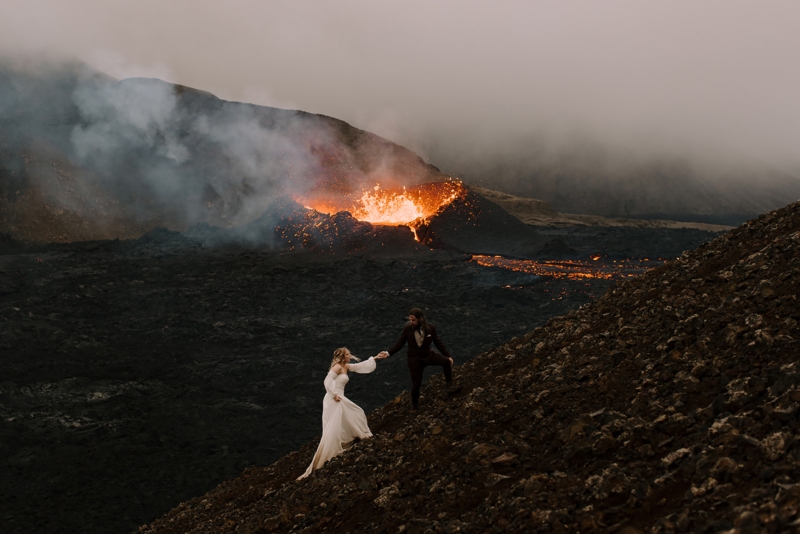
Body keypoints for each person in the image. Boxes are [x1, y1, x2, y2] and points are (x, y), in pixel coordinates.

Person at [298, 347, 387, 480]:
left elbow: (359, 366)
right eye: (347, 354)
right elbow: (327, 381)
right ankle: (332, 450)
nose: (349, 356)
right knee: (344, 419)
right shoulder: (337, 367)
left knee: (352, 415)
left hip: (339, 397)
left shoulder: (346, 366)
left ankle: (350, 438)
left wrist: (375, 358)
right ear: (341, 356)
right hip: (334, 399)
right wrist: (334, 395)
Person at [378, 308, 458, 409]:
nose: (411, 322)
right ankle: (415, 406)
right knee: (416, 385)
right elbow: (400, 343)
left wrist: (448, 356)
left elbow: (438, 343)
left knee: (446, 362)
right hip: (415, 361)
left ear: (420, 319)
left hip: (428, 356)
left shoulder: (430, 328)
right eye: (410, 319)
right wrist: (388, 353)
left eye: (413, 320)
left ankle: (449, 384)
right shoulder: (407, 329)